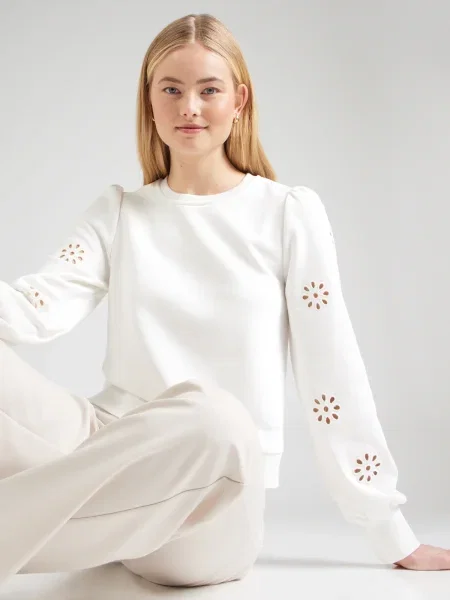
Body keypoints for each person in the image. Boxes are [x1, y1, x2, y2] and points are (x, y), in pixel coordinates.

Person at [0, 13, 449, 587]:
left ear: (239, 100)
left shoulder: (286, 213)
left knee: (215, 415)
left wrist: (390, 530)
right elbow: (33, 309)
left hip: (211, 494)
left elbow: (331, 375)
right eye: (171, 90)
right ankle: (95, 516)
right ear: (150, 102)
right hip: (105, 446)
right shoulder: (120, 212)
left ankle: (62, 517)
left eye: (208, 90)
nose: (189, 107)